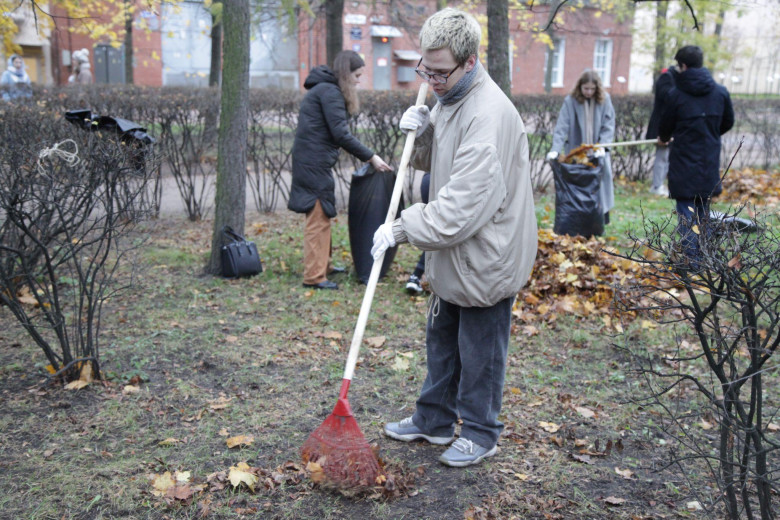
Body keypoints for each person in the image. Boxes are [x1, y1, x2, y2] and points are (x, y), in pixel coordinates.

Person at [371, 8, 538, 467]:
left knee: (480, 352)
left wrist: (402, 227)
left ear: (470, 61)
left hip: (486, 255)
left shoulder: (486, 117)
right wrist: (423, 130)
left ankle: (482, 432)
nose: (432, 79)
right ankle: (435, 419)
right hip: (456, 254)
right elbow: (445, 173)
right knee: (442, 338)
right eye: (425, 69)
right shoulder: (451, 100)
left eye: (440, 72)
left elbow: (459, 208)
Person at [288, 50, 392, 290]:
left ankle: (324, 265)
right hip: (312, 162)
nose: (359, 80)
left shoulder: (325, 90)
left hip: (313, 160)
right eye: (357, 75)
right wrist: (371, 157)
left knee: (322, 213)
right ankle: (314, 276)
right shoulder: (330, 92)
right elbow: (341, 134)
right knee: (317, 216)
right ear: (346, 74)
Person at [658, 45, 734, 269]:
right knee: (703, 212)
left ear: (683, 66)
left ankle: (692, 263)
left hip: (683, 162)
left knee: (686, 213)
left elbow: (665, 128)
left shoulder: (676, 94)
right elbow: (728, 122)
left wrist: (664, 137)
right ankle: (706, 259)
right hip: (709, 160)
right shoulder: (720, 92)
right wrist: (709, 134)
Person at [547, 69, 615, 225]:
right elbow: (562, 127)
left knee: (602, 184)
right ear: (580, 87)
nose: (589, 92)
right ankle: (579, 219)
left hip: (599, 153)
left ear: (597, 88)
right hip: (577, 153)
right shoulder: (570, 101)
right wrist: (555, 149)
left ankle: (603, 216)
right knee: (578, 187)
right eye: (586, 88)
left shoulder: (605, 100)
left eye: (592, 89)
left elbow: (608, 125)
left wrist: (603, 147)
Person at [645, 65, 679, 197]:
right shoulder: (667, 78)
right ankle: (657, 185)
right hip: (662, 126)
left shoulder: (673, 78)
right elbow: (667, 98)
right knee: (662, 156)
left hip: (670, 125)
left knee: (668, 157)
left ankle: (662, 185)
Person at [405, 171, 430, 295]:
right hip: (443, 181)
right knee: (440, 233)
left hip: (428, 179)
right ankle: (417, 276)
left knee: (433, 231)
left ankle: (416, 276)